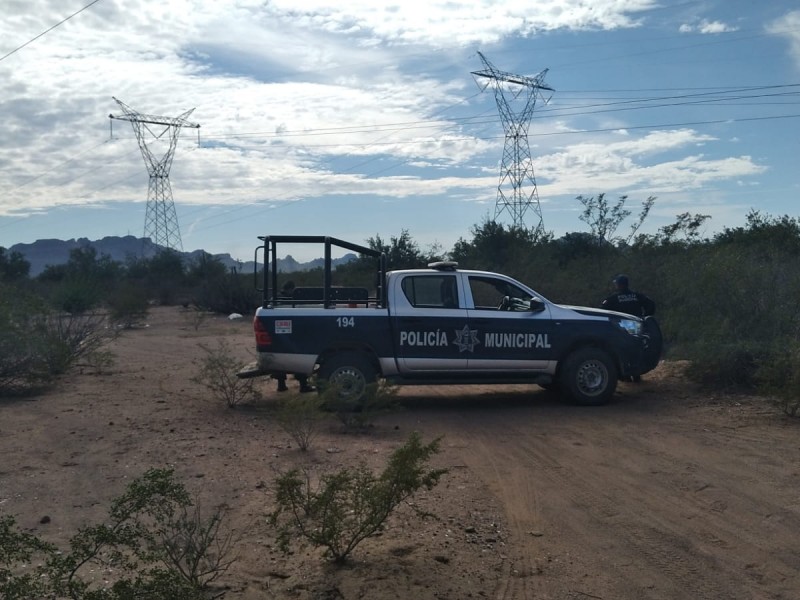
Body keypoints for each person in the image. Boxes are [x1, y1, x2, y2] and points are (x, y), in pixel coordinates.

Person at [273, 279, 313, 393]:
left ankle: (281, 385)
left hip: (279, 333)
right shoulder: (295, 300)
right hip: (294, 334)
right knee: (299, 358)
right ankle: (303, 385)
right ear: (291, 289)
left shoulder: (276, 299)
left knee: (279, 359)